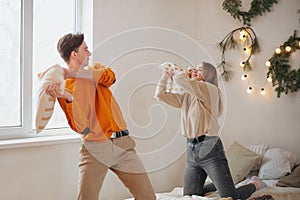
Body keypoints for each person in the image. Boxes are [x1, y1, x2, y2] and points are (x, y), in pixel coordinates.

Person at [46, 32, 156, 200]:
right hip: (96, 148)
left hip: (123, 144)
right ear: (74, 54)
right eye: (86, 49)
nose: (89, 53)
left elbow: (110, 77)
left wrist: (75, 74)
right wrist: (68, 98)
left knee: (148, 196)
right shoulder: (66, 88)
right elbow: (81, 127)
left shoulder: (95, 69)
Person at [154, 62, 266, 200]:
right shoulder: (187, 96)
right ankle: (217, 184)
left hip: (210, 149)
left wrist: (185, 72)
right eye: (195, 69)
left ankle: (256, 184)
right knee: (190, 196)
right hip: (191, 149)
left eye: (199, 70)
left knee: (231, 197)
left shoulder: (210, 89)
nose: (195, 71)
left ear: (209, 74)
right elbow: (160, 95)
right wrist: (165, 76)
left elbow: (179, 79)